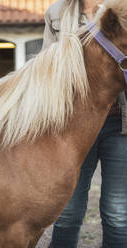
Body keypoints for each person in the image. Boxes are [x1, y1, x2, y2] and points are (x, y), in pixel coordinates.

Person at [43, 0, 127, 247]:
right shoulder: (56, 13)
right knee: (67, 212)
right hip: (76, 126)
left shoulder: (123, 10)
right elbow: (49, 65)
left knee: (118, 214)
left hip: (120, 125)